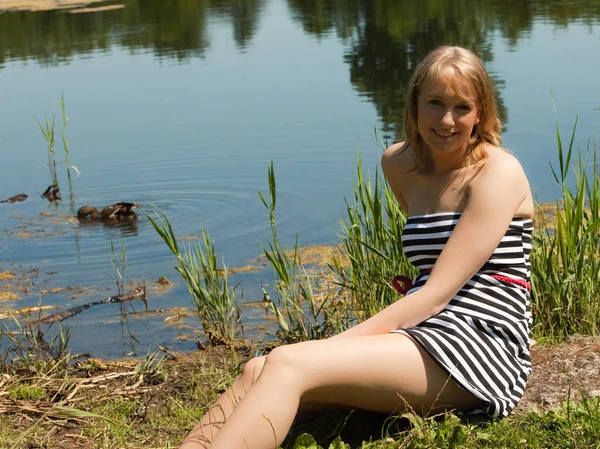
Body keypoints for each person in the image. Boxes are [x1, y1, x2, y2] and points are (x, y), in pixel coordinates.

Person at [179, 45, 534, 449]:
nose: (447, 120)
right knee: (256, 369)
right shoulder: (398, 165)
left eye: (462, 107)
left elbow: (436, 293)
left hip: (477, 345)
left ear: (481, 114)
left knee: (288, 361)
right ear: (414, 104)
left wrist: (327, 347)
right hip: (425, 332)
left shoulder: (498, 172)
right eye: (435, 102)